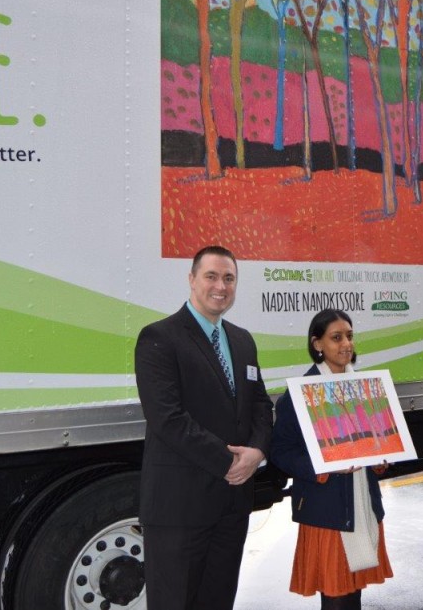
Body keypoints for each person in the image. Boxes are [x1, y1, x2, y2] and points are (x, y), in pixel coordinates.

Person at [134, 245, 274, 610]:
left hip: (232, 506)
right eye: (211, 276)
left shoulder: (242, 340)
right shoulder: (159, 338)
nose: (221, 286)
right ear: (192, 279)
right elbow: (167, 418)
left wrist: (257, 452)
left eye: (229, 278)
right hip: (179, 508)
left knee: (218, 601)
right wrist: (228, 462)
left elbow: (260, 405)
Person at [270, 309, 393, 610]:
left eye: (349, 336)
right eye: (336, 338)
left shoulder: (367, 390)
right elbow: (280, 451)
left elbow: (378, 442)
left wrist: (381, 460)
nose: (346, 344)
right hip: (327, 511)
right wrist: (322, 468)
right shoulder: (300, 394)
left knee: (354, 594)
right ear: (317, 344)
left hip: (362, 504)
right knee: (336, 597)